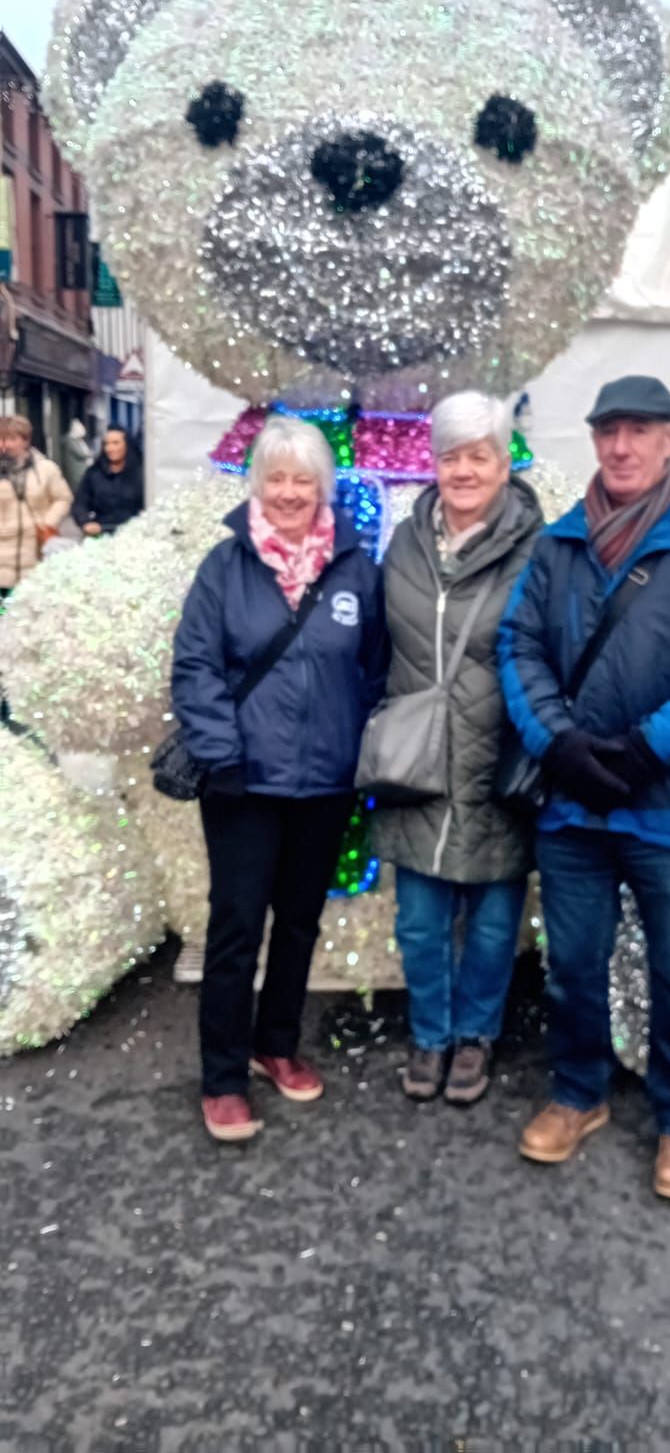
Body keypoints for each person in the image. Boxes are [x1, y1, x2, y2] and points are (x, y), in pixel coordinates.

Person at [498, 375, 670, 1200]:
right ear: (594, 440)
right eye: (608, 430)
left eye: (640, 430)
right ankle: (578, 1093)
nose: (622, 447)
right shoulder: (557, 546)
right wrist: (558, 742)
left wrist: (651, 748)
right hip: (575, 804)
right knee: (572, 968)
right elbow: (518, 647)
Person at [171, 417, 388, 1143]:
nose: (290, 492)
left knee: (299, 922)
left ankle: (276, 1045)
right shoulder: (224, 567)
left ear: (323, 487)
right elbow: (195, 666)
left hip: (325, 782)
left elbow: (375, 666)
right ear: (257, 484)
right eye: (277, 478)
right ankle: (223, 1076)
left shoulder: (356, 570)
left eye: (304, 479)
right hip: (243, 783)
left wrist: (357, 744)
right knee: (236, 927)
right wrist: (221, 753)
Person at [374, 391, 543, 1105]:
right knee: (419, 920)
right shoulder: (405, 541)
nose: (464, 471)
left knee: (494, 921)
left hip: (496, 758)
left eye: (480, 456)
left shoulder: (538, 549)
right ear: (433, 463)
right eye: (452, 457)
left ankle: (476, 1034)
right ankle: (431, 1034)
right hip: (416, 758)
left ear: (504, 465)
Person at [0, 415, 72, 597]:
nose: (6, 445)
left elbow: (63, 498)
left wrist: (48, 522)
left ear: (26, 440)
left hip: (34, 553)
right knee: (3, 609)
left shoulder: (46, 469)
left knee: (27, 606)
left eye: (12, 439)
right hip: (2, 554)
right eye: (2, 439)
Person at [72, 426, 143, 535]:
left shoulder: (140, 473)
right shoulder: (94, 473)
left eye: (115, 443)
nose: (110, 448)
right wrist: (85, 522)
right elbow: (80, 504)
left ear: (127, 445)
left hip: (135, 532)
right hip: (101, 531)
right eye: (106, 444)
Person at [60, 417, 93, 494]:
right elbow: (80, 453)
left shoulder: (78, 440)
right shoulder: (69, 440)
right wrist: (89, 454)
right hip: (75, 471)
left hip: (82, 470)